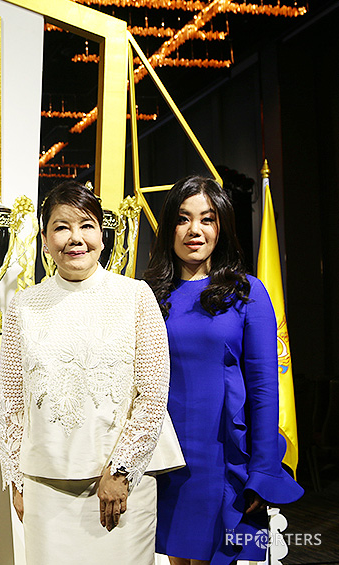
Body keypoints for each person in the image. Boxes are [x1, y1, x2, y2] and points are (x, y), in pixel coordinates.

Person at [0, 180, 184, 564]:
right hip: (45, 486)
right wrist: (17, 479)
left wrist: (120, 471)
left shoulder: (136, 296)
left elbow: (152, 394)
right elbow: (12, 400)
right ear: (45, 239)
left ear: (101, 235)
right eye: (61, 227)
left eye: (86, 225)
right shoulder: (23, 305)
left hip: (122, 486)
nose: (75, 238)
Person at [145, 175, 304, 565]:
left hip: (223, 460)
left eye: (207, 219)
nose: (194, 230)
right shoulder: (146, 294)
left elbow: (265, 389)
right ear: (169, 228)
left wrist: (262, 471)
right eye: (183, 219)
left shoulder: (248, 292)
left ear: (222, 227)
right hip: (164, 459)